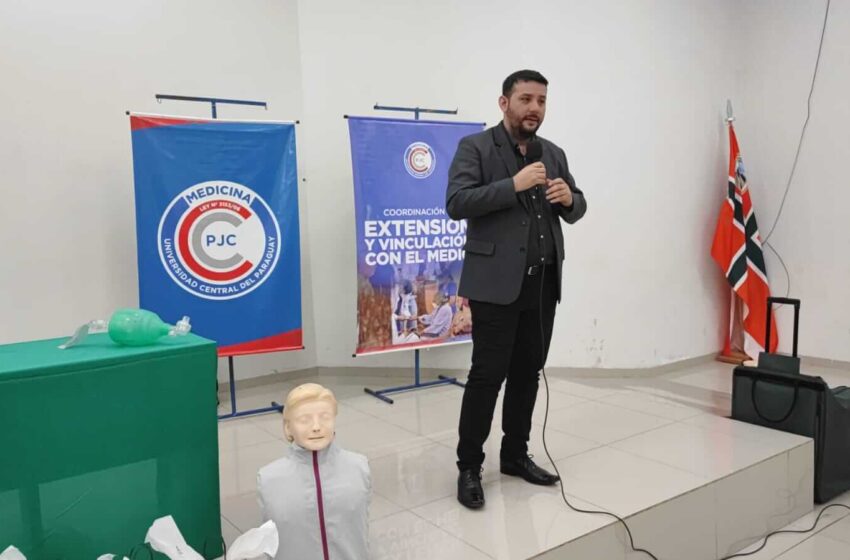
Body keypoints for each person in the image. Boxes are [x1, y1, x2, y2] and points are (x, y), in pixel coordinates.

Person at [446, 69, 587, 509]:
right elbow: (457, 203)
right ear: (504, 103)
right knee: (487, 377)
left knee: (528, 373)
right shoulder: (476, 148)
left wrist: (570, 199)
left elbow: (577, 207)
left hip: (542, 285)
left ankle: (514, 455)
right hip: (493, 287)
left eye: (542, 100)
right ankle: (469, 465)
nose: (535, 108)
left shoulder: (554, 153)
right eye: (526, 99)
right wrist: (514, 185)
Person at [257, 384, 370, 559]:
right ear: (288, 428)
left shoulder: (358, 467)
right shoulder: (269, 479)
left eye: (325, 417)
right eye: (304, 419)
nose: (316, 426)